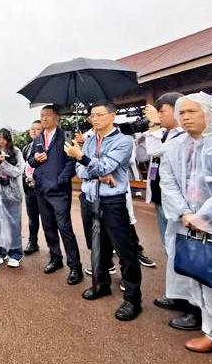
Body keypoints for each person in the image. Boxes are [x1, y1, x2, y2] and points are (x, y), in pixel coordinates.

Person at [159, 92, 212, 353]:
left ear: (209, 113)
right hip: (188, 222)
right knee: (203, 275)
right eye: (182, 113)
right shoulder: (176, 146)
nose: (185, 117)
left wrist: (204, 217)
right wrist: (185, 214)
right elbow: (168, 180)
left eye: (192, 112)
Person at [65, 101, 143, 321]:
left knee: (124, 250)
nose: (94, 119)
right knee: (97, 244)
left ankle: (132, 299)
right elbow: (81, 170)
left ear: (112, 116)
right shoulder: (89, 141)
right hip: (90, 198)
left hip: (113, 201)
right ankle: (101, 284)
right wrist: (93, 169)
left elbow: (105, 166)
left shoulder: (123, 141)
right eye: (92, 115)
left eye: (99, 114)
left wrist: (82, 157)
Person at [143, 92, 202, 330]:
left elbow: (159, 152)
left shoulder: (188, 138)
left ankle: (195, 308)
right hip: (165, 201)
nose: (160, 116)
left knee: (192, 255)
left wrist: (154, 127)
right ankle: (179, 294)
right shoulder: (168, 135)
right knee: (173, 250)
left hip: (188, 209)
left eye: (163, 111)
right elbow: (152, 153)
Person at [27, 105, 83, 285]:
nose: (44, 118)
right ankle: (55, 258)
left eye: (48, 115)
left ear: (56, 118)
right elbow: (30, 161)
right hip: (41, 190)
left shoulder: (65, 136)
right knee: (48, 227)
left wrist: (60, 181)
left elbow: (71, 162)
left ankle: (75, 266)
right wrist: (36, 160)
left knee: (65, 229)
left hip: (59, 191)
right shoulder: (37, 139)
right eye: (41, 115)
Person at [0, 127, 26, 267]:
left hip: (13, 193)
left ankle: (16, 253)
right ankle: (0, 251)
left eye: (4, 138)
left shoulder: (16, 152)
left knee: (14, 223)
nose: (2, 141)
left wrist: (3, 164)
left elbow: (18, 171)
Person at [22, 120, 43, 254]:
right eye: (32, 129)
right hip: (29, 188)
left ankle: (54, 248)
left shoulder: (45, 147)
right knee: (32, 217)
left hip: (42, 189)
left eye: (38, 129)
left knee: (48, 220)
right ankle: (33, 242)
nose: (34, 131)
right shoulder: (26, 148)